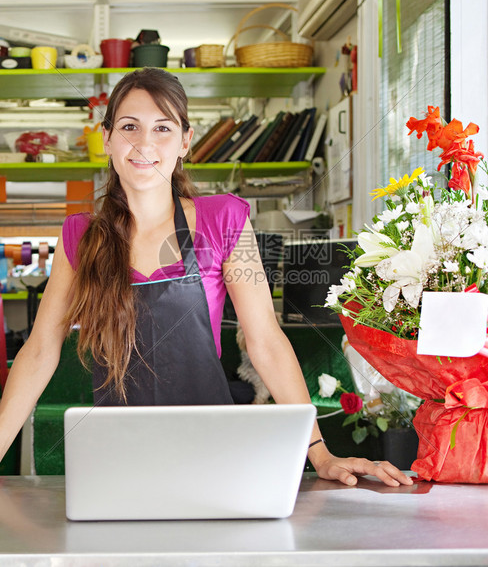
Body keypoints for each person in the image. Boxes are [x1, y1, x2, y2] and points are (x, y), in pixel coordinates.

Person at [0, 68, 412, 487]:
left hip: (211, 448)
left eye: (162, 127)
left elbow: (265, 341)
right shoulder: (80, 235)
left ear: (184, 141)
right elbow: (39, 352)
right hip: (119, 455)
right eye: (129, 126)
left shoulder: (225, 219)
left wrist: (319, 454)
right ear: (107, 138)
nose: (144, 142)